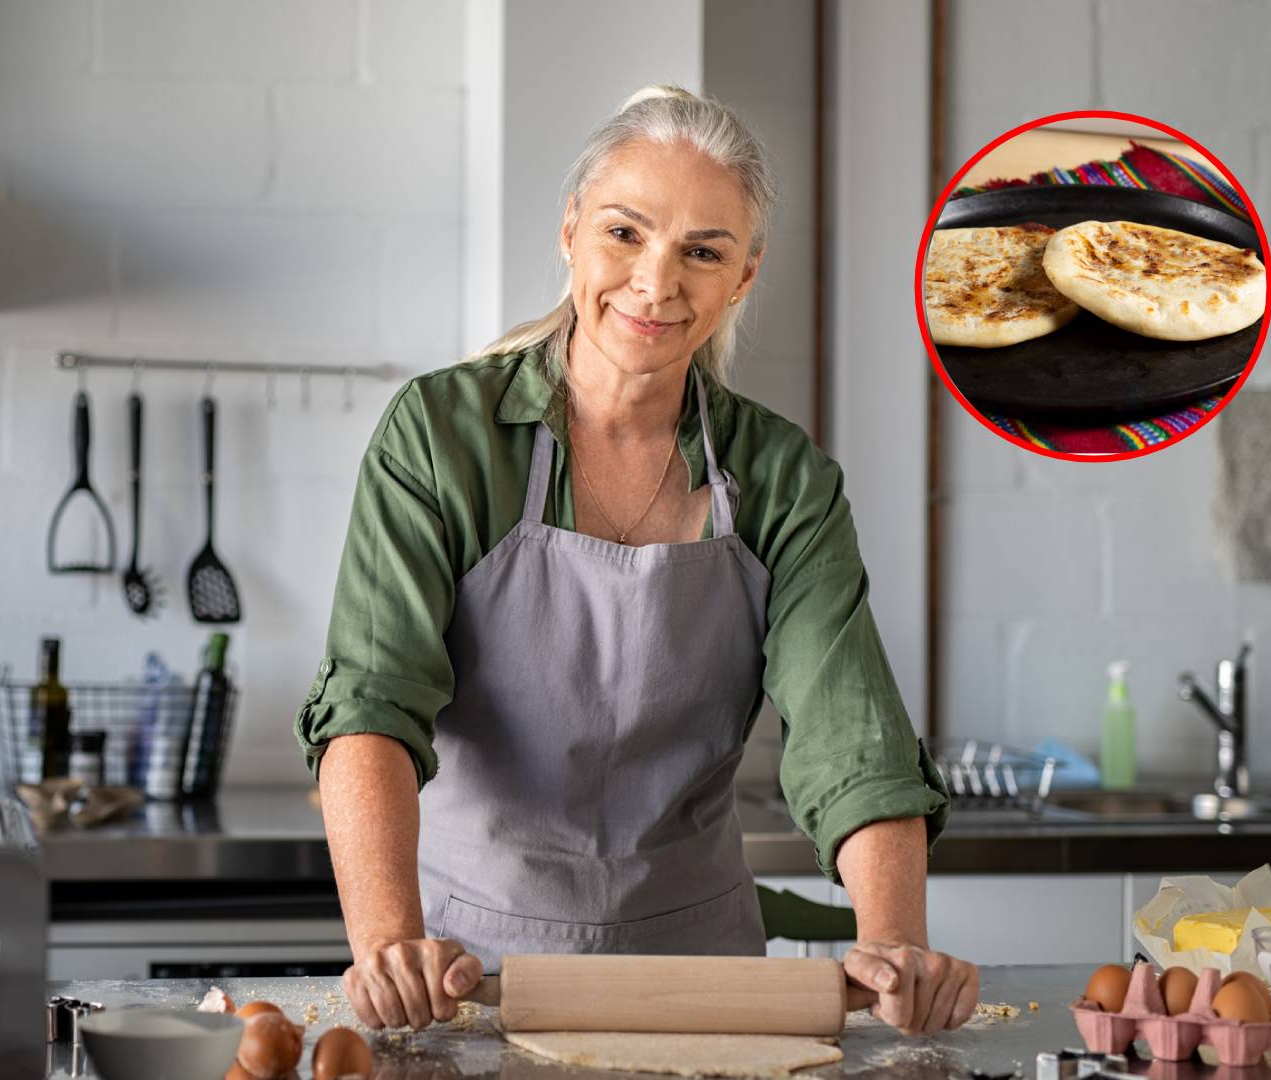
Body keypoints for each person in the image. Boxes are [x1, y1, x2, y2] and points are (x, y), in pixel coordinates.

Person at [296, 85, 974, 1037]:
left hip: (701, 985)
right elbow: (371, 699)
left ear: (742, 278)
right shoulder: (443, 437)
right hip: (464, 981)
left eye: (704, 250)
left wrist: (897, 941)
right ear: (571, 230)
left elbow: (850, 737)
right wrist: (389, 945)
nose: (658, 283)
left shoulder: (781, 478)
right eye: (625, 233)